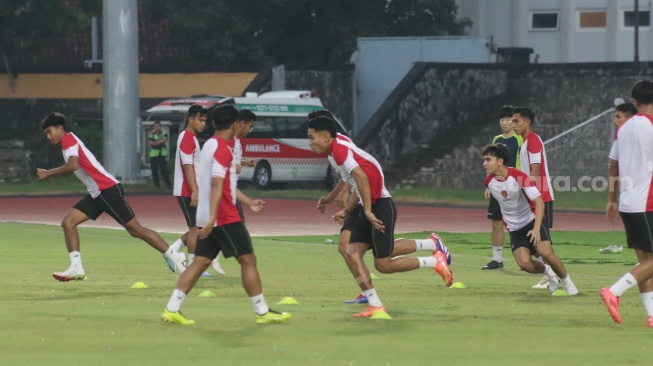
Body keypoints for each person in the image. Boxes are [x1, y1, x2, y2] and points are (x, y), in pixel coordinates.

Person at [308, 116, 452, 319]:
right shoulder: (336, 147)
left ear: (325, 136)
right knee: (351, 252)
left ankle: (434, 261)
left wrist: (366, 210)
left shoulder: (339, 150)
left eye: (311, 137)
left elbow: (363, 179)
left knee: (383, 264)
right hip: (369, 204)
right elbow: (359, 181)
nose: (309, 142)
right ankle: (374, 304)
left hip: (380, 206)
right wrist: (348, 209)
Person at [162, 104, 290, 325]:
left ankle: (172, 308)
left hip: (208, 215)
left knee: (200, 263)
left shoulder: (210, 144)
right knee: (248, 260)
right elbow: (217, 185)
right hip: (224, 216)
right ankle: (262, 311)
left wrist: (248, 202)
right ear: (234, 123)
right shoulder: (222, 148)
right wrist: (213, 217)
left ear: (212, 123)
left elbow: (225, 184)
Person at [37, 113, 186, 281]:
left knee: (137, 230)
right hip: (99, 194)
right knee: (68, 222)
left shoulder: (67, 140)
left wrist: (47, 173)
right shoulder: (68, 140)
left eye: (50, 131)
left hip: (106, 190)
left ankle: (175, 256)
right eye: (46, 134)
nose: (49, 136)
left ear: (60, 128)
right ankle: (76, 267)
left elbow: (73, 165)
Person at [482, 144, 578, 295]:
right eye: (484, 160)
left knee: (545, 253)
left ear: (500, 161)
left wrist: (536, 229)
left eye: (488, 159)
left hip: (532, 220)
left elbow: (539, 202)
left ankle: (568, 283)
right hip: (514, 229)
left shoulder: (519, 176)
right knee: (524, 264)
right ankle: (549, 273)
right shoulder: (488, 181)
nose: (484, 163)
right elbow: (496, 187)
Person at [601, 80, 653, 327]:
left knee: (646, 263)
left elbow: (613, 165)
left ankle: (652, 314)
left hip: (628, 203)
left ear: (634, 102)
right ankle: (615, 291)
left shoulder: (623, 129)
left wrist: (612, 199)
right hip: (648, 202)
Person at [209, 108, 258, 275]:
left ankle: (178, 249)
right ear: (240, 123)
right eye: (249, 126)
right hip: (226, 194)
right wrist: (238, 166)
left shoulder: (233, 142)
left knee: (205, 231)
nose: (250, 130)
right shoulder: (229, 143)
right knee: (236, 231)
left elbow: (231, 164)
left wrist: (244, 163)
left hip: (228, 192)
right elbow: (227, 166)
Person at [168, 105, 213, 277]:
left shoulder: (191, 137)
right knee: (195, 229)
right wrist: (195, 191)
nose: (203, 124)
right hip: (188, 191)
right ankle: (194, 268)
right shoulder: (187, 138)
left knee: (199, 227)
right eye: (200, 120)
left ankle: (173, 250)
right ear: (190, 119)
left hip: (193, 190)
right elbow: (188, 167)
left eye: (204, 121)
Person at [513, 107, 555, 290]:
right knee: (536, 240)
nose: (513, 125)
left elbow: (535, 170)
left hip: (540, 198)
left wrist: (528, 193)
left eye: (516, 121)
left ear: (527, 122)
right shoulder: (525, 142)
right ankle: (551, 276)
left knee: (542, 243)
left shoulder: (533, 140)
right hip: (533, 197)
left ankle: (554, 277)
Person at [483, 105, 523, 270]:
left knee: (521, 223)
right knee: (496, 223)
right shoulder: (496, 139)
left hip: (515, 187)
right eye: (502, 120)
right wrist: (488, 184)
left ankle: (527, 258)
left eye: (507, 119)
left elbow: (523, 162)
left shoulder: (519, 139)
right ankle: (497, 260)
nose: (504, 123)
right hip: (497, 187)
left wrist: (522, 184)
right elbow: (491, 162)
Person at [149, 121, 173, 189]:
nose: (157, 127)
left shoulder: (163, 133)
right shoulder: (152, 134)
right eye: (155, 126)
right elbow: (151, 143)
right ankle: (157, 184)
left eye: (158, 126)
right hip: (153, 154)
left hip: (161, 154)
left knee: (163, 170)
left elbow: (164, 139)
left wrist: (156, 142)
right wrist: (159, 142)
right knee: (154, 170)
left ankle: (168, 184)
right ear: (154, 127)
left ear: (160, 127)